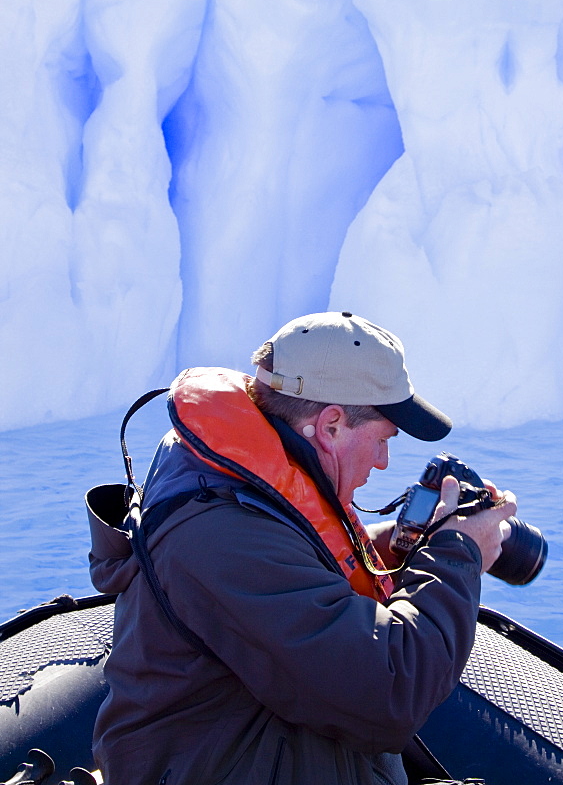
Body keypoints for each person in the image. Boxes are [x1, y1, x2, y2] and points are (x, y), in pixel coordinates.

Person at [87, 311, 516, 785]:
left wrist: (398, 546)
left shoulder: (233, 476)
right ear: (330, 424)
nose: (383, 460)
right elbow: (392, 690)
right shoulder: (223, 531)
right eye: (382, 439)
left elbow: (293, 559)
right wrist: (458, 551)